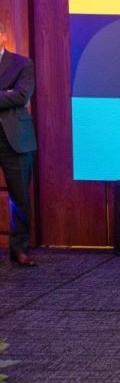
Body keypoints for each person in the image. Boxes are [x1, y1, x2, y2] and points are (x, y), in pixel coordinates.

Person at [0, 22, 37, 267]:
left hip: (14, 139)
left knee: (20, 197)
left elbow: (22, 95)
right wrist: (6, 93)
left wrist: (11, 94)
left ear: (3, 36)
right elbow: (11, 96)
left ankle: (19, 249)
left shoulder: (22, 63)